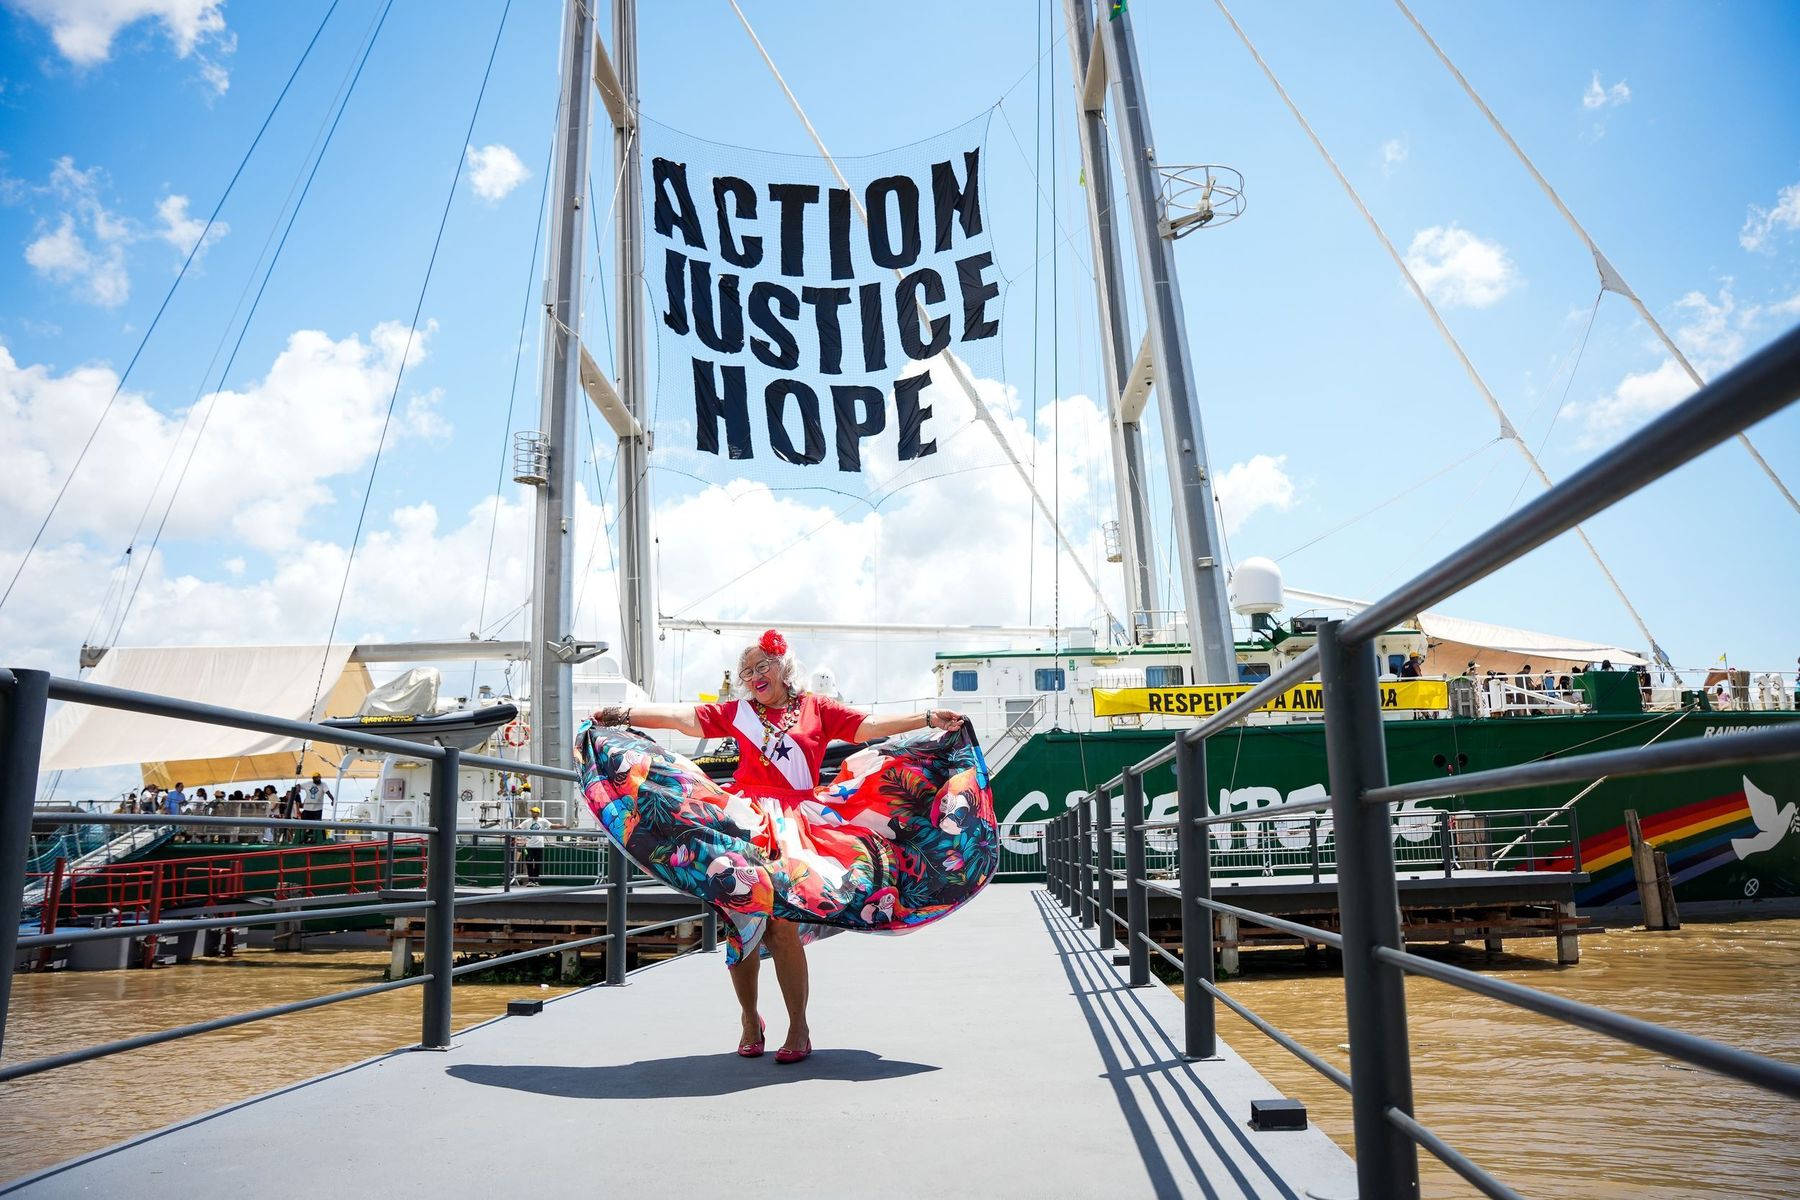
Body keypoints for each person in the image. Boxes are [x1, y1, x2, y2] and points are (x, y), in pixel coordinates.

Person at [585, 628, 990, 1065]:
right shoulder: (739, 712)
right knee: (741, 921)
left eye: (763, 666)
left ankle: (798, 1026)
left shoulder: (817, 708)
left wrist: (927, 719)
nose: (755, 675)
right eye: (747, 671)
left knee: (783, 924)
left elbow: (868, 726)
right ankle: (748, 1018)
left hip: (801, 825)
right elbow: (684, 719)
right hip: (746, 823)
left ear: (784, 667)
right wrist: (623, 713)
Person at [517, 806, 551, 884]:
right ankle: (531, 880)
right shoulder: (527, 821)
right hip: (529, 846)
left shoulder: (543, 821)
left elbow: (551, 825)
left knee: (538, 864)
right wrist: (511, 831)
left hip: (539, 846)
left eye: (534, 812)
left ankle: (536, 880)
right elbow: (519, 827)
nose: (532, 813)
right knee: (529, 863)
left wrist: (563, 826)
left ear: (538, 813)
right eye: (532, 812)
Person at [302, 774, 333, 844]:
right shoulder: (308, 783)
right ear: (313, 778)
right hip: (307, 808)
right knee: (305, 824)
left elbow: (328, 792)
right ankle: (304, 839)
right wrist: (296, 789)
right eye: (316, 778)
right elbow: (298, 786)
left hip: (317, 809)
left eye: (319, 778)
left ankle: (323, 839)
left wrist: (333, 799)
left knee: (319, 824)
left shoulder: (323, 784)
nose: (318, 779)